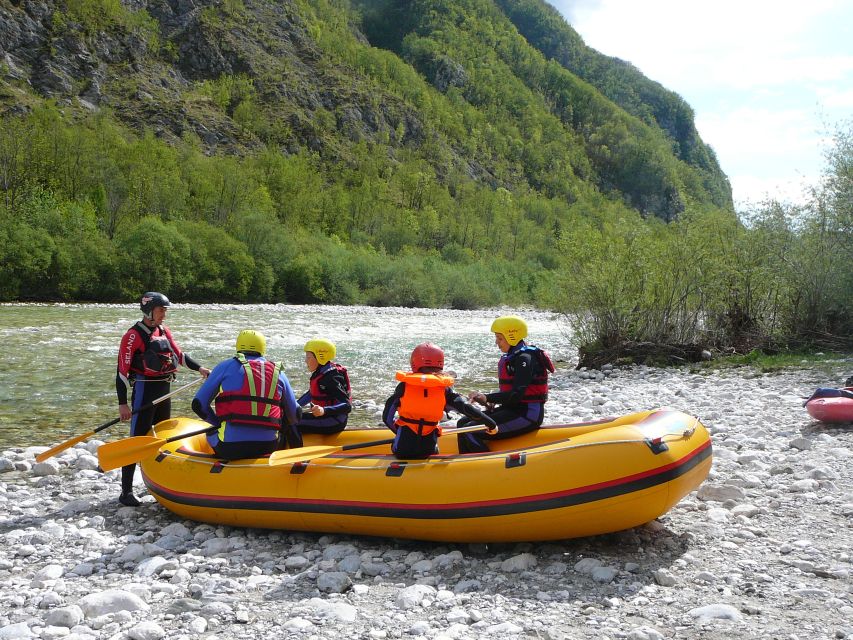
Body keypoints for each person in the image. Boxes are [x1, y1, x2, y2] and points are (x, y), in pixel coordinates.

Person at [116, 291, 210, 506]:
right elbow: (121, 372)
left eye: (165, 311)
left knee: (161, 437)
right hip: (144, 392)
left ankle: (158, 483)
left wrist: (200, 368)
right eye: (160, 310)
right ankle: (126, 491)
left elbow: (179, 355)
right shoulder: (132, 336)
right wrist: (123, 404)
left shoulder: (163, 331)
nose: (163, 315)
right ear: (149, 311)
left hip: (164, 391)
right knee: (137, 441)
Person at [192, 329, 299, 460]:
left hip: (231, 447)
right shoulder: (279, 372)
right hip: (269, 446)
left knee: (211, 432)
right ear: (262, 347)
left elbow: (198, 405)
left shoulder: (225, 366)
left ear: (238, 347)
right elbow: (295, 414)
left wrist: (217, 423)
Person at [457, 315, 554, 454]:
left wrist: (487, 397)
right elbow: (510, 394)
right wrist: (489, 401)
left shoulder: (525, 359)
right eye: (496, 338)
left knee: (470, 431)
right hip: (512, 410)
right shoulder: (512, 357)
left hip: (528, 414)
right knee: (462, 424)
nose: (496, 342)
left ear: (512, 337)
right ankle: (463, 466)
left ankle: (484, 469)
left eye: (499, 338)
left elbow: (516, 394)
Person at [383, 343, 496, 459]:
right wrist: (489, 422)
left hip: (403, 449)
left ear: (414, 363)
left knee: (398, 444)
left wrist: (399, 431)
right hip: (428, 449)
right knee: (432, 446)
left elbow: (386, 417)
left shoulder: (404, 386)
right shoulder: (444, 389)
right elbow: (466, 408)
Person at [280, 338, 352, 449]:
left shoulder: (331, 377)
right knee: (285, 417)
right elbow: (310, 394)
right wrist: (292, 406)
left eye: (308, 357)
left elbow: (347, 406)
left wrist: (324, 411)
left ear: (320, 357)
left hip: (333, 421)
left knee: (291, 422)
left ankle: (298, 458)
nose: (305, 361)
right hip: (325, 418)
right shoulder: (320, 373)